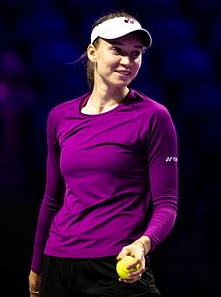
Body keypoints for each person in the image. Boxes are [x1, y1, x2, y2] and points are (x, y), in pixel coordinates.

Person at [28, 11, 179, 297]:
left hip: (117, 264)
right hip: (58, 264)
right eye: (117, 51)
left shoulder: (154, 117)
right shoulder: (60, 117)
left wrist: (142, 245)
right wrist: (37, 267)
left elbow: (167, 204)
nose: (127, 62)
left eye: (136, 54)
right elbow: (52, 199)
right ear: (93, 52)